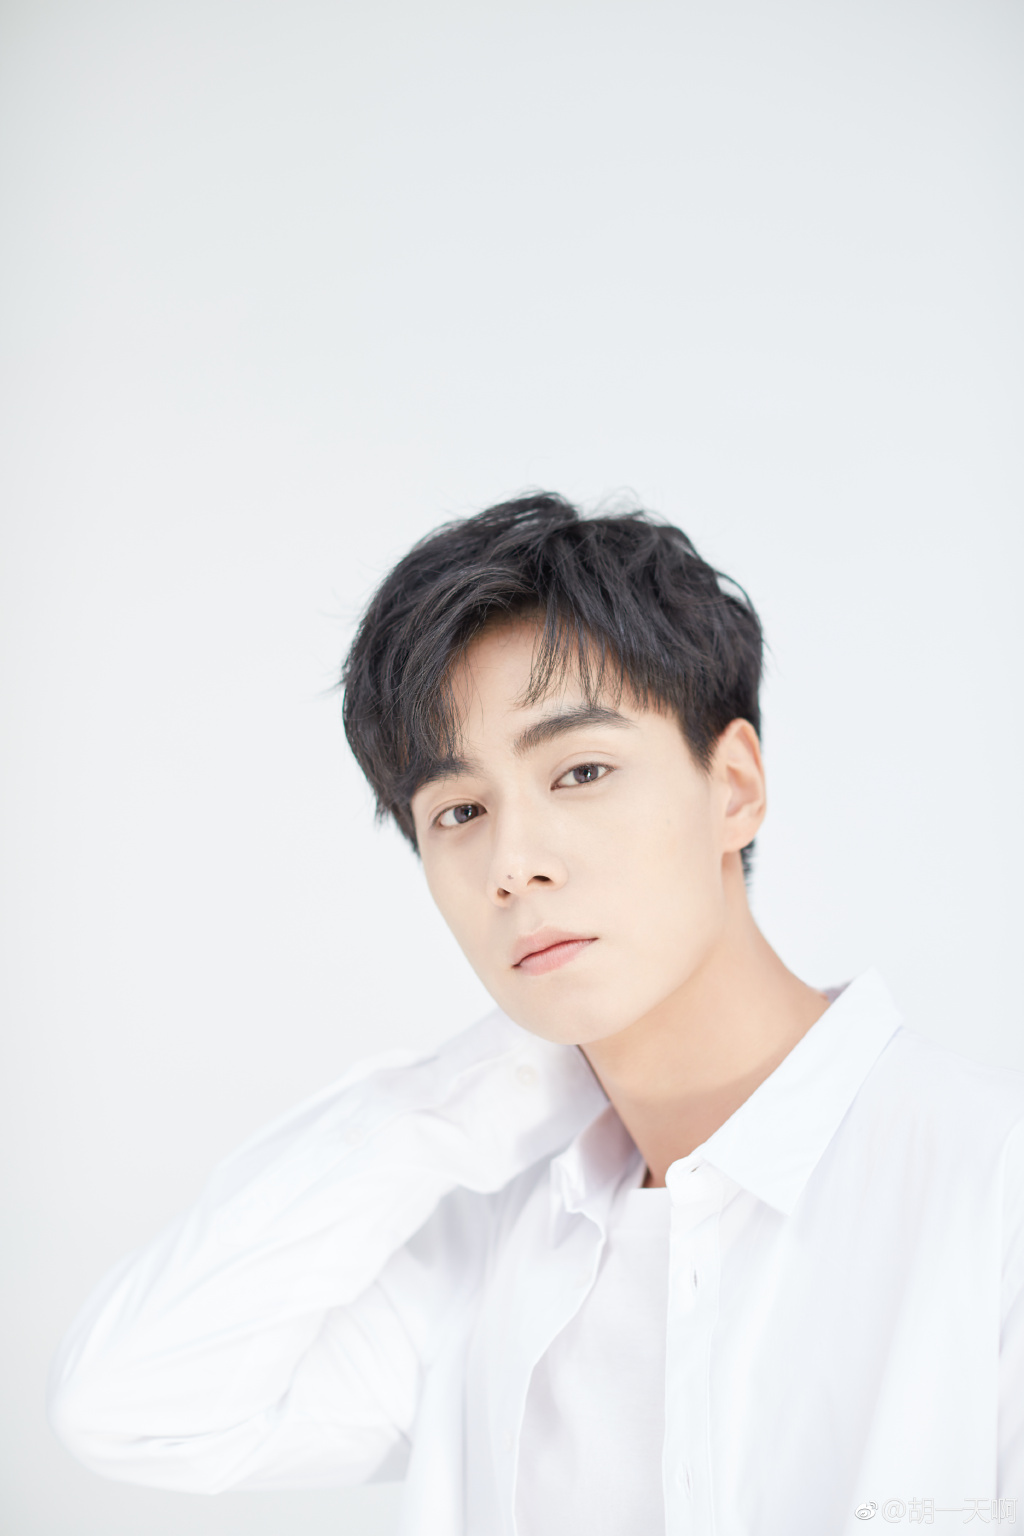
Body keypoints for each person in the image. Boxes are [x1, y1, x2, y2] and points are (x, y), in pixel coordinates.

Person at [48, 493, 1024, 1534]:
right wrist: (454, 1106)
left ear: (734, 786)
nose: (513, 864)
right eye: (459, 811)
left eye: (582, 770)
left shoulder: (985, 1194)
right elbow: (135, 1411)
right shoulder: (486, 1248)